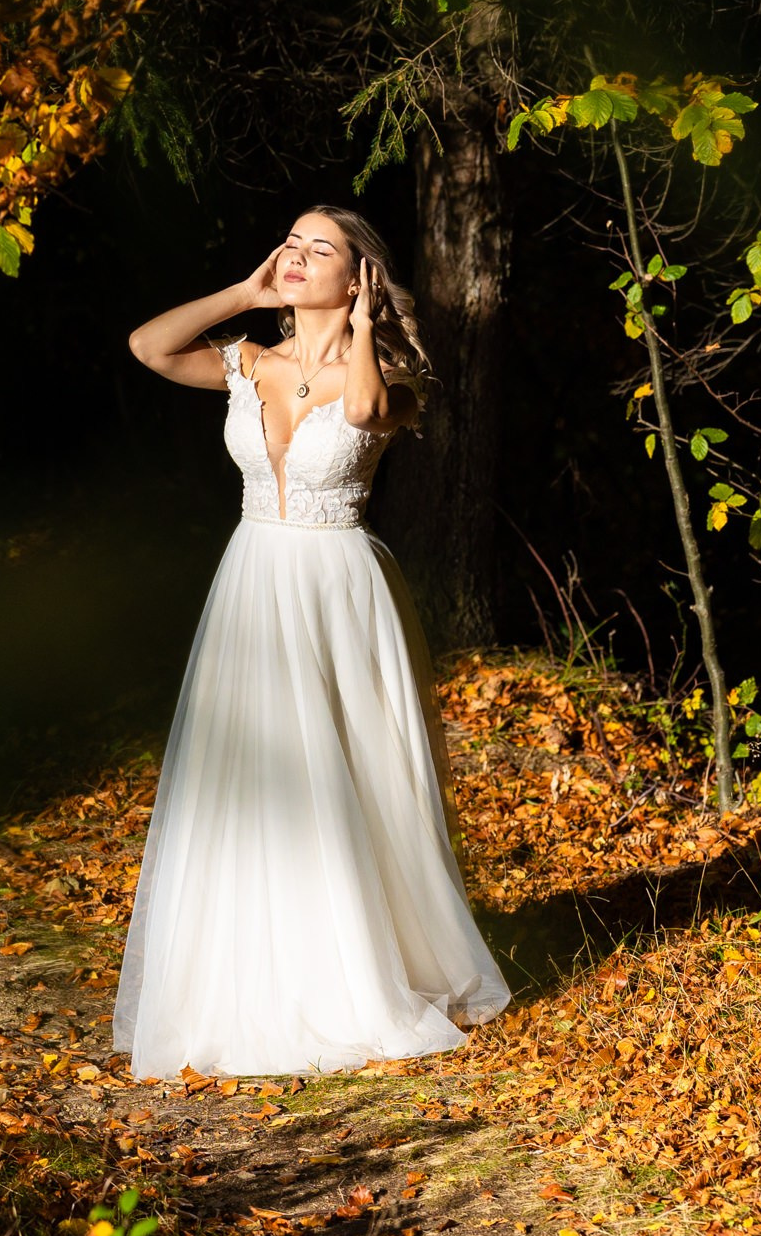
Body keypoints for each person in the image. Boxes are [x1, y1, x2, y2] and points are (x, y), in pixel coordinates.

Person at [110, 205, 512, 1078]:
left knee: (344, 773)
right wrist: (241, 291)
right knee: (251, 775)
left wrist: (364, 327)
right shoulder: (249, 361)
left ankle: (355, 968)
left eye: (316, 249)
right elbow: (148, 345)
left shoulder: (391, 369)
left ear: (356, 273)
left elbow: (364, 408)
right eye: (289, 244)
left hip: (337, 587)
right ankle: (252, 967)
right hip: (253, 578)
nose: (294, 257)